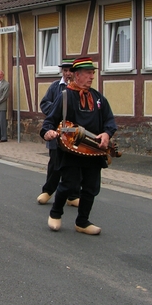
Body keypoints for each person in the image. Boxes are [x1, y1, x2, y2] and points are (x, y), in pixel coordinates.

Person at [41, 57, 117, 235]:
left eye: (92, 73)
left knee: (91, 188)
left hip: (93, 150)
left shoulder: (98, 98)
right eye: (88, 73)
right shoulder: (65, 96)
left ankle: (82, 222)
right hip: (71, 150)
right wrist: (48, 132)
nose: (92, 77)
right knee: (68, 184)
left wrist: (107, 133)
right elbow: (50, 121)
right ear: (77, 75)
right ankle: (55, 213)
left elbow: (109, 121)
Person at [37, 60, 78, 206]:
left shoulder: (79, 89)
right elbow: (44, 103)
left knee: (74, 166)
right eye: (65, 71)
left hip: (73, 134)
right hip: (56, 132)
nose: (68, 74)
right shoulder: (55, 86)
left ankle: (73, 196)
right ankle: (48, 191)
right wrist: (57, 108)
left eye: (70, 71)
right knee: (55, 164)